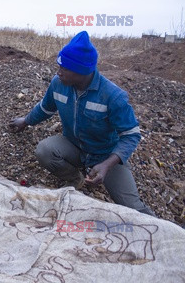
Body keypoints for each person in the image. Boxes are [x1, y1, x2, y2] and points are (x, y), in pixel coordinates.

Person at [9, 31, 155, 216]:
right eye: (59, 66)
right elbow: (46, 108)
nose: (58, 72)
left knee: (133, 208)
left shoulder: (112, 95)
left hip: (104, 154)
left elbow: (131, 135)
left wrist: (107, 165)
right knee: (45, 150)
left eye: (64, 69)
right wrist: (26, 121)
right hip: (74, 146)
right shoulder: (58, 83)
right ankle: (75, 179)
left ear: (82, 71)